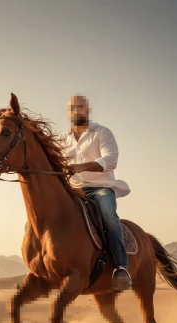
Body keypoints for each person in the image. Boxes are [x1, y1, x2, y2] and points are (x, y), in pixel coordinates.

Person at [59, 94, 132, 291]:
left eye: (81, 107)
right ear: (68, 112)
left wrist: (81, 166)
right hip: (74, 191)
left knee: (108, 215)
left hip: (100, 188)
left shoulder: (102, 132)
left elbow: (110, 160)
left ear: (88, 109)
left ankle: (121, 267)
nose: (77, 110)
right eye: (73, 107)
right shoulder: (62, 139)